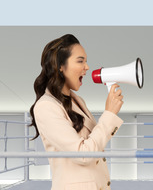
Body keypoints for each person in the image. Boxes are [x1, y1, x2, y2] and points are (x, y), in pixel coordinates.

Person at [29, 34, 124, 190]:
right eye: (80, 61)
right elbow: (83, 154)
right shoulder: (46, 106)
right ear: (60, 66)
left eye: (86, 61)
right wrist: (109, 114)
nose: (87, 67)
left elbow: (94, 142)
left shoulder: (77, 100)